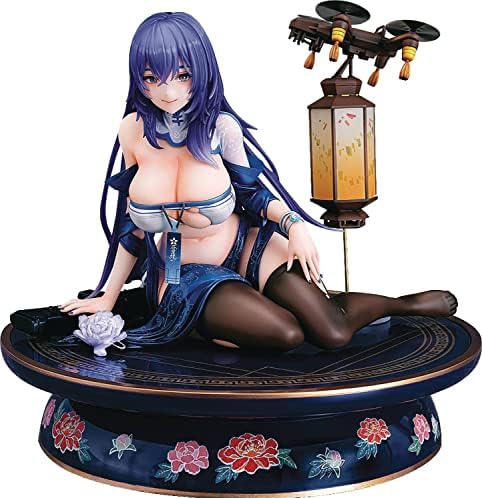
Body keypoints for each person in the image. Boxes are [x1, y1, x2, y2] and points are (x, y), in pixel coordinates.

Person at [59, 12, 457, 352]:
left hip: (248, 244)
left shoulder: (220, 128)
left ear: (202, 70)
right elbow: (130, 226)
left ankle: (402, 305)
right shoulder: (133, 131)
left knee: (332, 332)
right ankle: (213, 321)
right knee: (286, 333)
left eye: (182, 75)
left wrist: (294, 226)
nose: (169, 91)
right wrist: (109, 294)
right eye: (152, 78)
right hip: (186, 273)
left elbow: (252, 192)